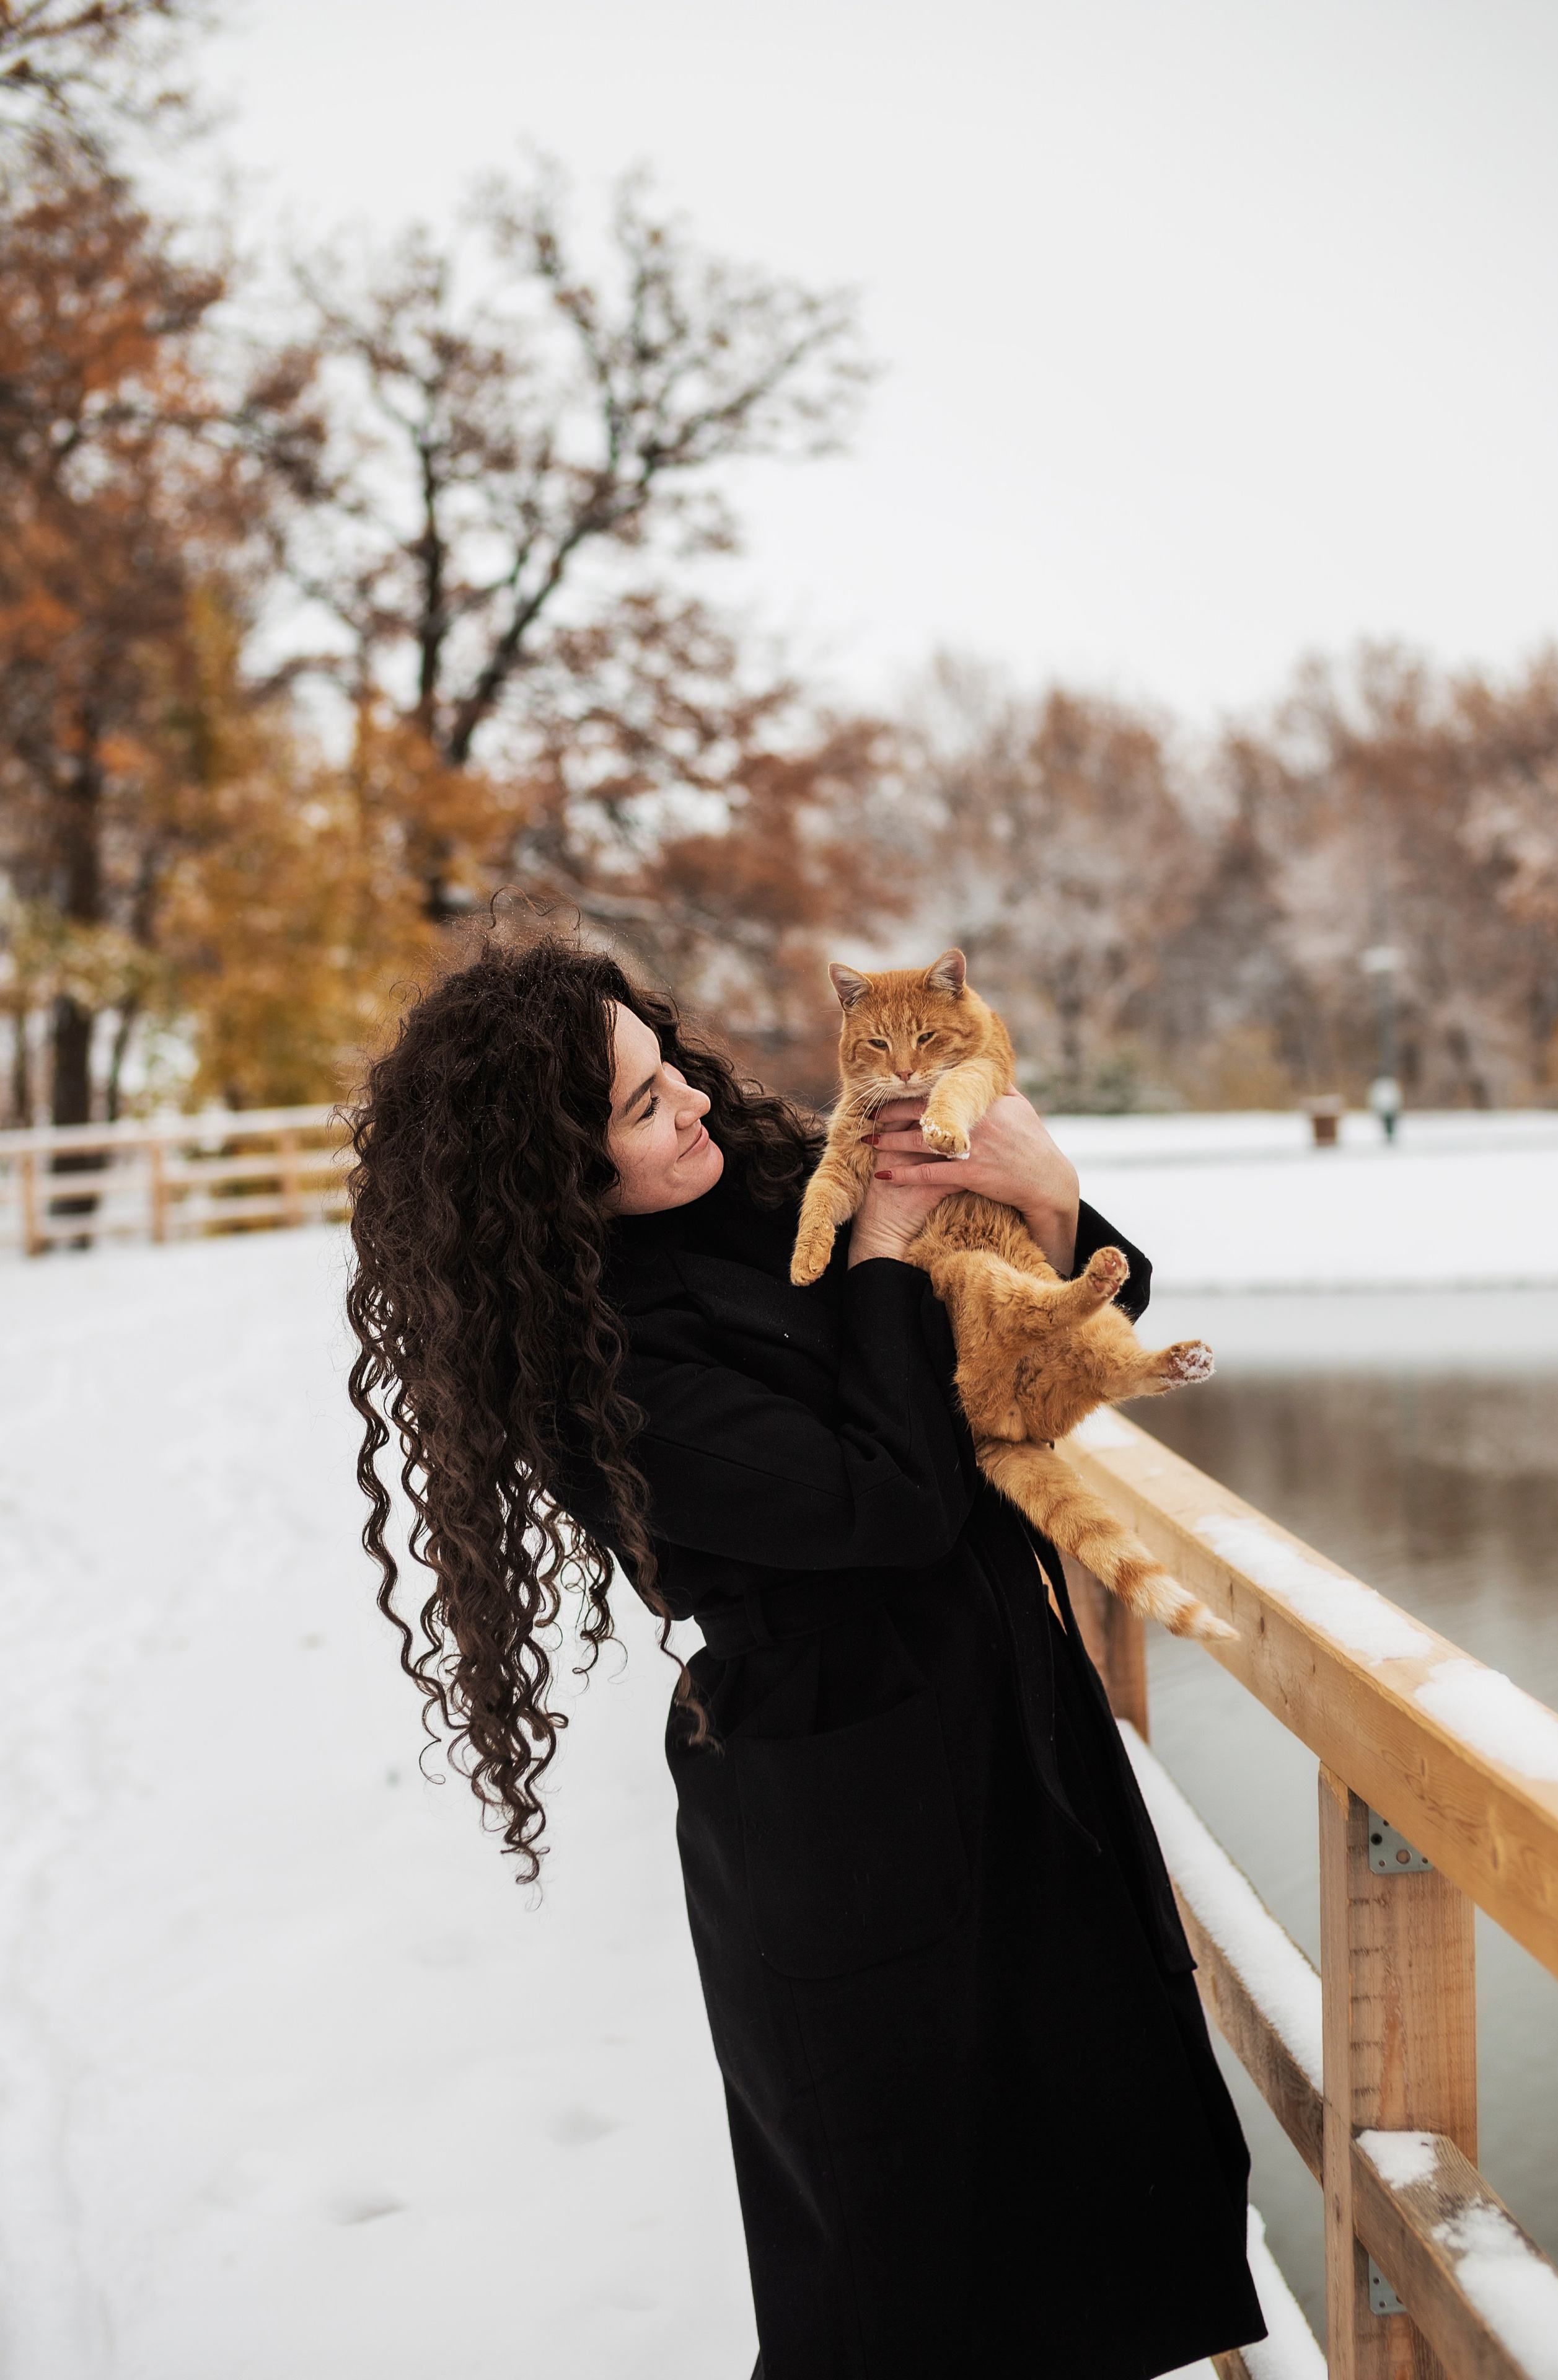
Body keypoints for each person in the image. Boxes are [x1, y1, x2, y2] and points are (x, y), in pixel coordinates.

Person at [345, 928, 1265, 2380]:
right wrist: (884, 1261)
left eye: (668, 1071)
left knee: (1097, 2149)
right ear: (557, 1176)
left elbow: (1036, 1342)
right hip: (842, 1796)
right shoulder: (592, 1361)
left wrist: (1049, 1200)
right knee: (903, 2239)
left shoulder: (759, 1182)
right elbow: (886, 1502)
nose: (696, 1106)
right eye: (643, 1109)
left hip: (1004, 1724)